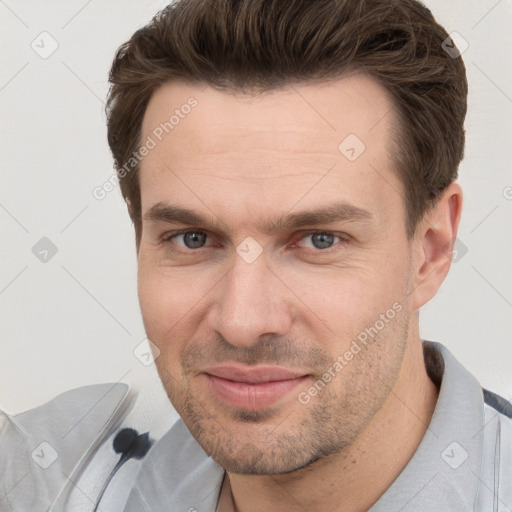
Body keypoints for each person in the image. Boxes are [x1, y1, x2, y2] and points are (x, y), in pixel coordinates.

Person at [1, 0, 511, 510]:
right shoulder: (44, 479)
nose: (242, 322)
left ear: (431, 250)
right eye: (193, 238)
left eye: (318, 240)